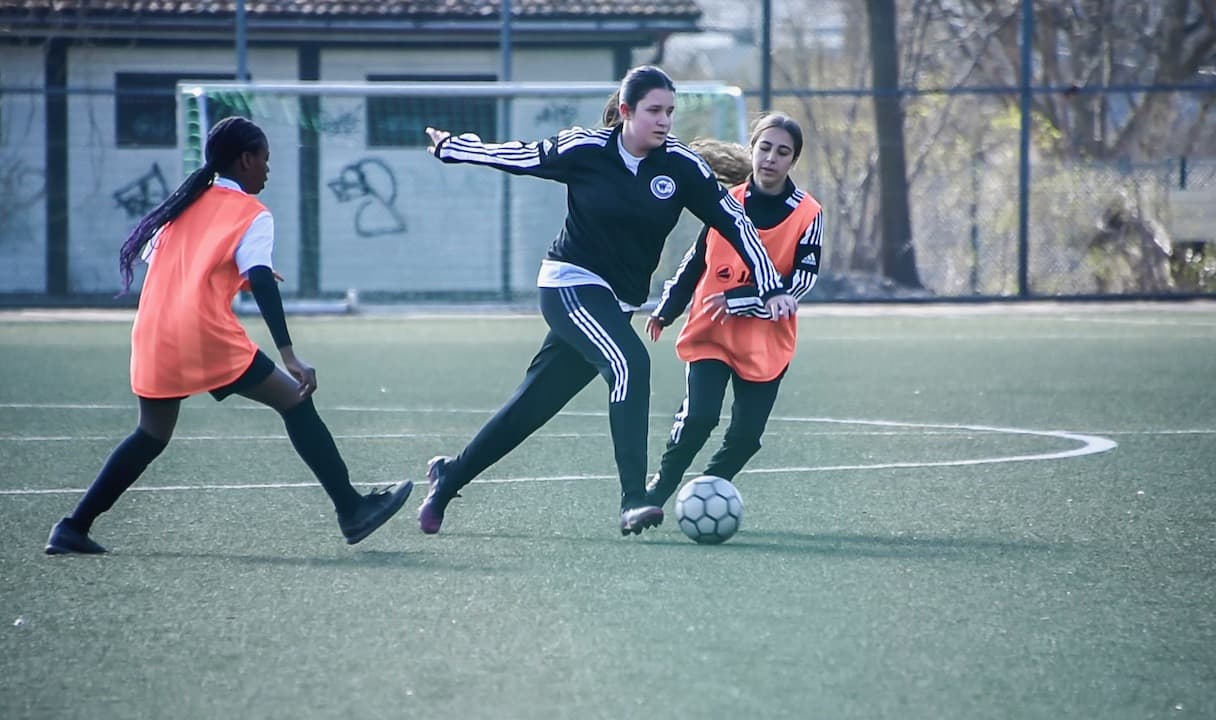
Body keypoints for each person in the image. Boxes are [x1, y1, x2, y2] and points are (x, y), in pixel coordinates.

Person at [417, 66, 797, 536]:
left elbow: (736, 224)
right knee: (630, 364)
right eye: (654, 111)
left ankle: (448, 476)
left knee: (532, 406)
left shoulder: (680, 166)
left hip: (615, 304)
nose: (664, 121)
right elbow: (518, 155)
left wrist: (772, 285)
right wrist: (452, 148)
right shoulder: (586, 149)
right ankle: (634, 499)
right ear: (625, 112)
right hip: (568, 283)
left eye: (670, 112)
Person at [44, 116, 412, 555]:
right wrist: (290, 354)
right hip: (202, 334)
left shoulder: (180, 206)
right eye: (265, 160)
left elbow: (179, 263)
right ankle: (352, 510)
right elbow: (257, 276)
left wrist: (236, 276)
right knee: (295, 399)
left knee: (151, 434)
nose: (268, 170)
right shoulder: (252, 214)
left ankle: (72, 527)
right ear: (245, 159)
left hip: (153, 332)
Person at [644, 112, 823, 508]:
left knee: (746, 437)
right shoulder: (724, 202)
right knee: (699, 419)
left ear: (793, 161)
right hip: (712, 332)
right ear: (753, 149)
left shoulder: (808, 214)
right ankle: (659, 489)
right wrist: (668, 308)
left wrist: (744, 300)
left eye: (782, 152)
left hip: (766, 339)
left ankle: (708, 491)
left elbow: (802, 280)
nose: (771, 158)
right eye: (765, 148)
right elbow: (697, 261)